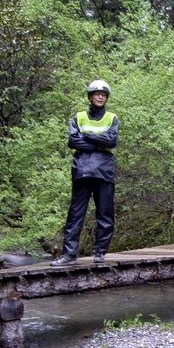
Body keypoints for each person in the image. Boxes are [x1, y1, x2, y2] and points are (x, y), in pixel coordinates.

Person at [51, 80, 119, 266]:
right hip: (82, 170)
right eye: (97, 94)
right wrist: (99, 142)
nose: (100, 96)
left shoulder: (112, 118)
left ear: (106, 98)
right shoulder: (79, 117)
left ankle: (99, 253)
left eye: (103, 94)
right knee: (75, 215)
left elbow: (112, 141)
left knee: (105, 213)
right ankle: (69, 256)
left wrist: (87, 137)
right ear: (90, 96)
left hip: (104, 171)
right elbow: (73, 142)